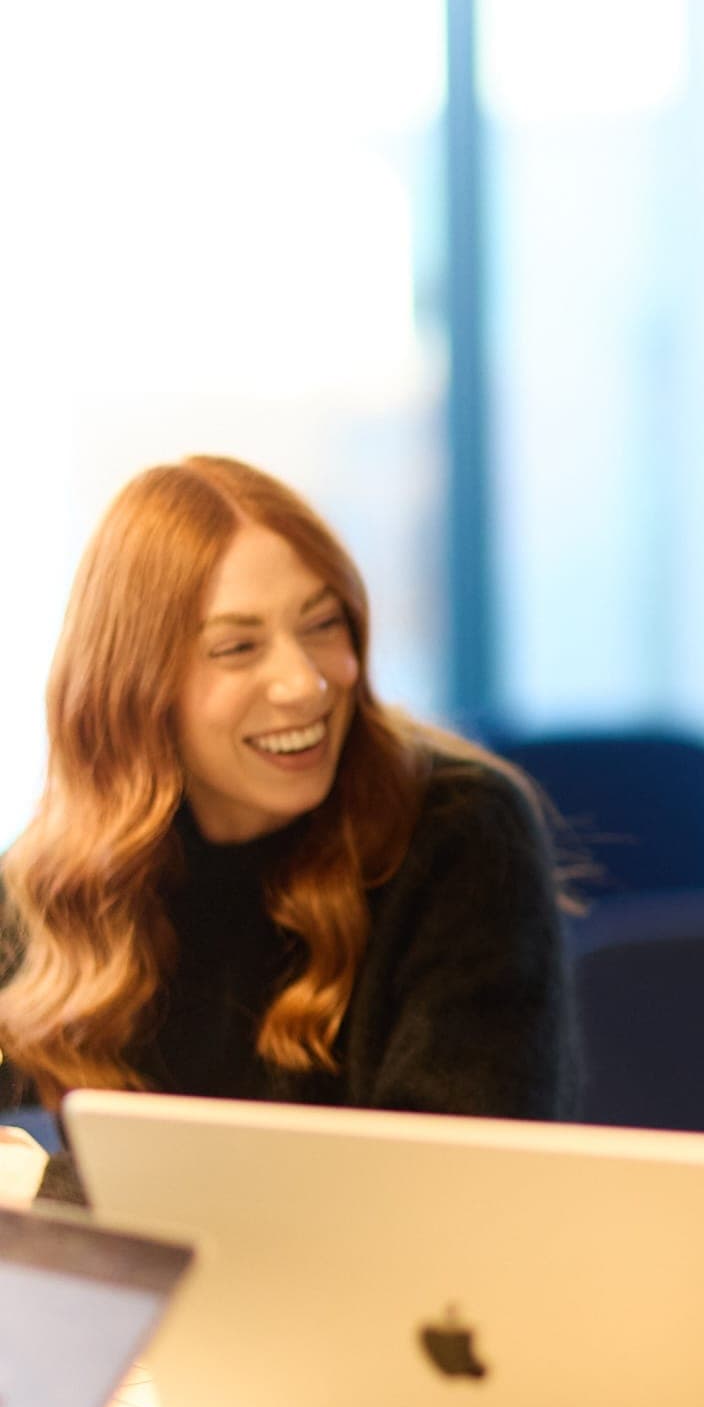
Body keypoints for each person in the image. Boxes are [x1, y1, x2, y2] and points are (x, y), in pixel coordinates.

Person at [0, 456, 575, 1197]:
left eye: (323, 623)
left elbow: (451, 1191)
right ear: (138, 686)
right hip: (126, 1311)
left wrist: (52, 1185)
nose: (305, 683)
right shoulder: (51, 876)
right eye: (237, 648)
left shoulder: (460, 829)